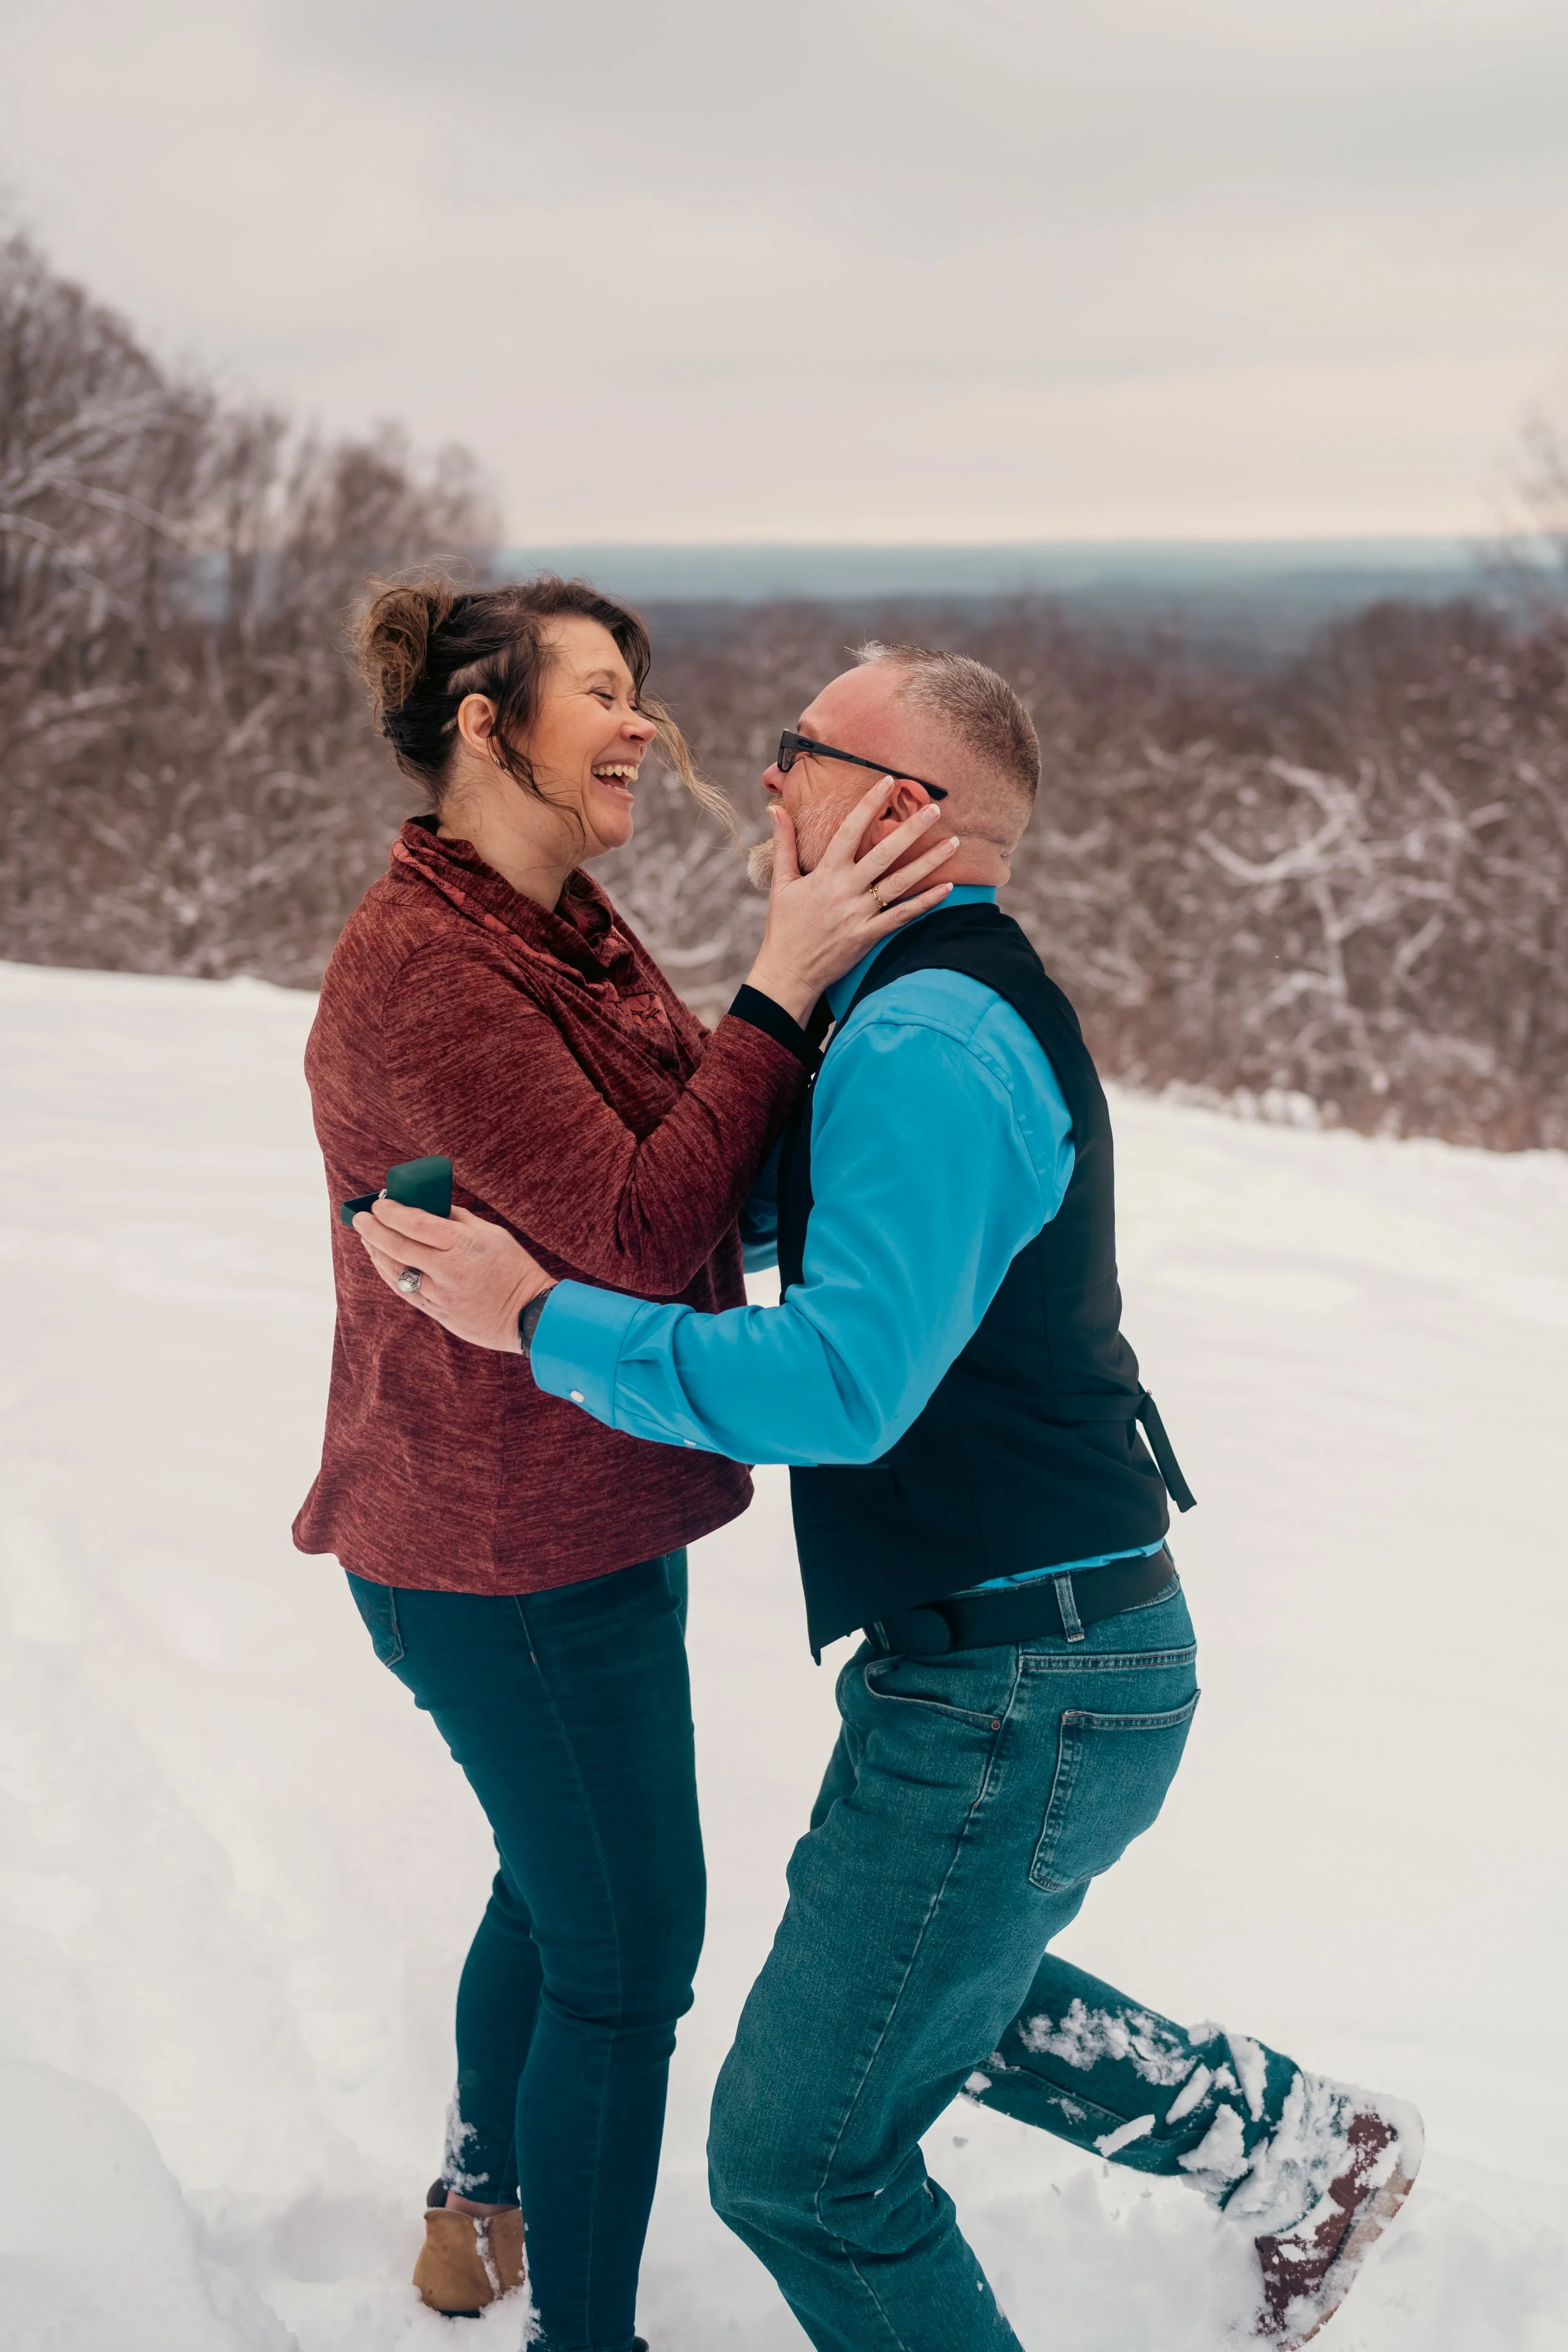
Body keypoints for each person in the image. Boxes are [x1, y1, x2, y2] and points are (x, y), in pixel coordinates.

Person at [354, 640, 1424, 2352]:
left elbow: (842, 1386)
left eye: (803, 749)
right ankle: (1294, 2147)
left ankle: (1297, 2150)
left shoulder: (928, 1035)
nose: (763, 773)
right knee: (898, 1993)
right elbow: (755, 1218)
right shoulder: (901, 1003)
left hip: (1031, 1676)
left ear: (902, 810)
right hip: (1014, 1656)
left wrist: (541, 1320)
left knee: (801, 2162)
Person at [295, 576, 958, 2348]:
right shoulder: (428, 978)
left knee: (559, 1884)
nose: (642, 721)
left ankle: (478, 2209)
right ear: (484, 725)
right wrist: (782, 980)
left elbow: (687, 1160)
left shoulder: (555, 929)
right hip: (494, 1553)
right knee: (627, 1951)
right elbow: (643, 1226)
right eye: (599, 689)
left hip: (568, 1517)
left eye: (636, 686)